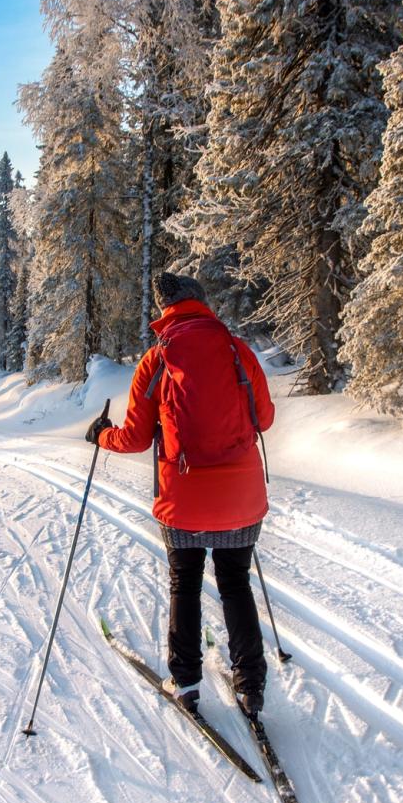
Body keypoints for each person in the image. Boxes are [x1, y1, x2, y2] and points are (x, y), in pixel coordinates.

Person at [85, 272, 276, 718]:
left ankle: (186, 682)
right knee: (235, 583)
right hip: (241, 498)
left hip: (182, 500)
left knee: (185, 584)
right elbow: (263, 420)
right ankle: (251, 685)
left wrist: (102, 436)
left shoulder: (156, 360)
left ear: (164, 309)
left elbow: (132, 438)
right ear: (201, 303)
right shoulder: (237, 350)